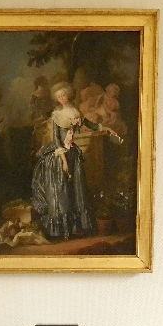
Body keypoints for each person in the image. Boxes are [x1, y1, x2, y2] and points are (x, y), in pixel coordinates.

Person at [31, 82, 118, 239]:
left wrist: (106, 128)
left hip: (73, 154)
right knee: (62, 192)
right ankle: (62, 230)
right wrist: (63, 161)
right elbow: (57, 140)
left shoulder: (75, 111)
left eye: (63, 95)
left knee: (76, 190)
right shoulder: (57, 115)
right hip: (60, 156)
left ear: (67, 95)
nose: (62, 98)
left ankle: (76, 227)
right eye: (58, 97)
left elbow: (90, 125)